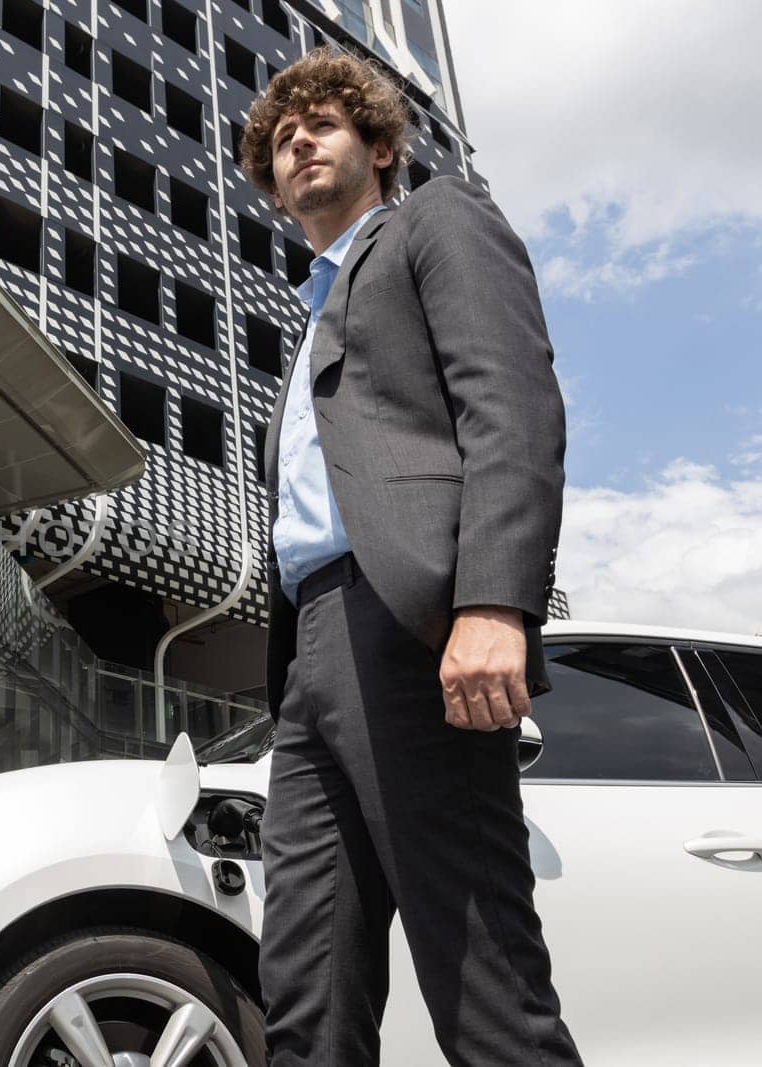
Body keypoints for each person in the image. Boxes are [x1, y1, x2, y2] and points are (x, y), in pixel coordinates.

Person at [236, 46, 582, 1065]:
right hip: (307, 657)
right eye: (283, 138)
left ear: (380, 148)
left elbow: (510, 408)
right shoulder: (306, 323)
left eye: (324, 125)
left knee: (481, 987)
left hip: (410, 624)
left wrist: (491, 602)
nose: (299, 140)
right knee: (306, 995)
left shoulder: (439, 221)